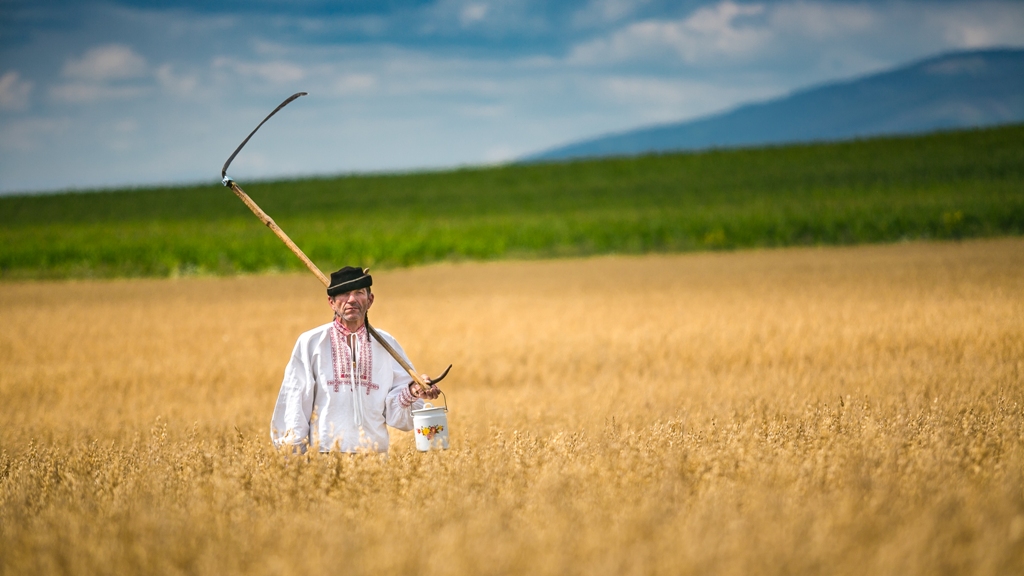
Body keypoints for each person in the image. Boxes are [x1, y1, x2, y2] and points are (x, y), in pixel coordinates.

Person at [270, 266, 441, 453]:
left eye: (359, 293)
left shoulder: (387, 345)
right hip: (324, 456)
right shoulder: (311, 343)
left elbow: (398, 413)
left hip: (375, 458)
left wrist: (413, 391)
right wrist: (294, 456)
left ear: (370, 300)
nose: (351, 300)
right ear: (331, 302)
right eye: (343, 294)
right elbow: (296, 399)